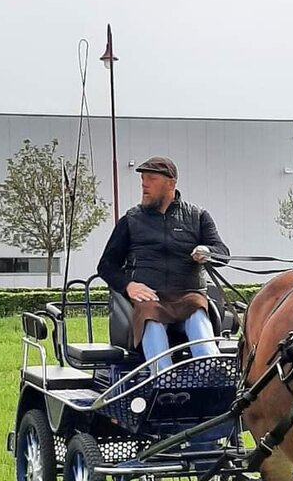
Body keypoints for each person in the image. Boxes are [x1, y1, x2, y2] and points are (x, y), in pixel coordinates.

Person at [98, 156, 230, 370]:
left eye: (151, 178)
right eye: (142, 178)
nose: (144, 184)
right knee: (151, 318)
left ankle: (210, 370)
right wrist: (128, 285)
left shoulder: (198, 217)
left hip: (189, 294)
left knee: (197, 312)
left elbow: (223, 253)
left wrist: (208, 251)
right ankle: (162, 377)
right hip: (150, 297)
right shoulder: (130, 220)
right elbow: (106, 266)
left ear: (171, 183)